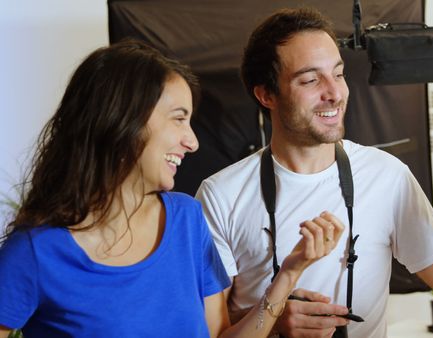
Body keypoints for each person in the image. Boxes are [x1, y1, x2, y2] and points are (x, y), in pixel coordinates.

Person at [196, 7, 433, 338]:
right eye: (311, 79)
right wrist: (274, 320)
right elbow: (213, 333)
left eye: (338, 74)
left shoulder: (387, 176)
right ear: (266, 94)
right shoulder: (220, 195)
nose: (334, 92)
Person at [0, 39, 344, 338]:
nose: (191, 141)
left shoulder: (185, 218)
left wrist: (290, 272)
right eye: (179, 118)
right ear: (122, 120)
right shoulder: (35, 251)